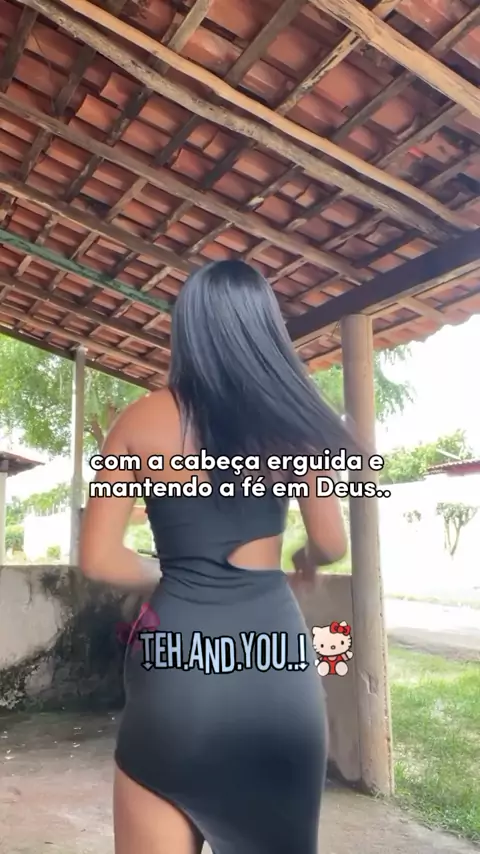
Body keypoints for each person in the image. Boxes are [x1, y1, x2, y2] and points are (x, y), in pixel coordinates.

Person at [79, 259, 358, 854]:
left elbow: (99, 558)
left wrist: (171, 574)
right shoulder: (295, 422)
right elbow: (332, 543)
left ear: (187, 329)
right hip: (276, 667)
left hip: (175, 672)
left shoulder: (139, 420)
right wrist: (305, 556)